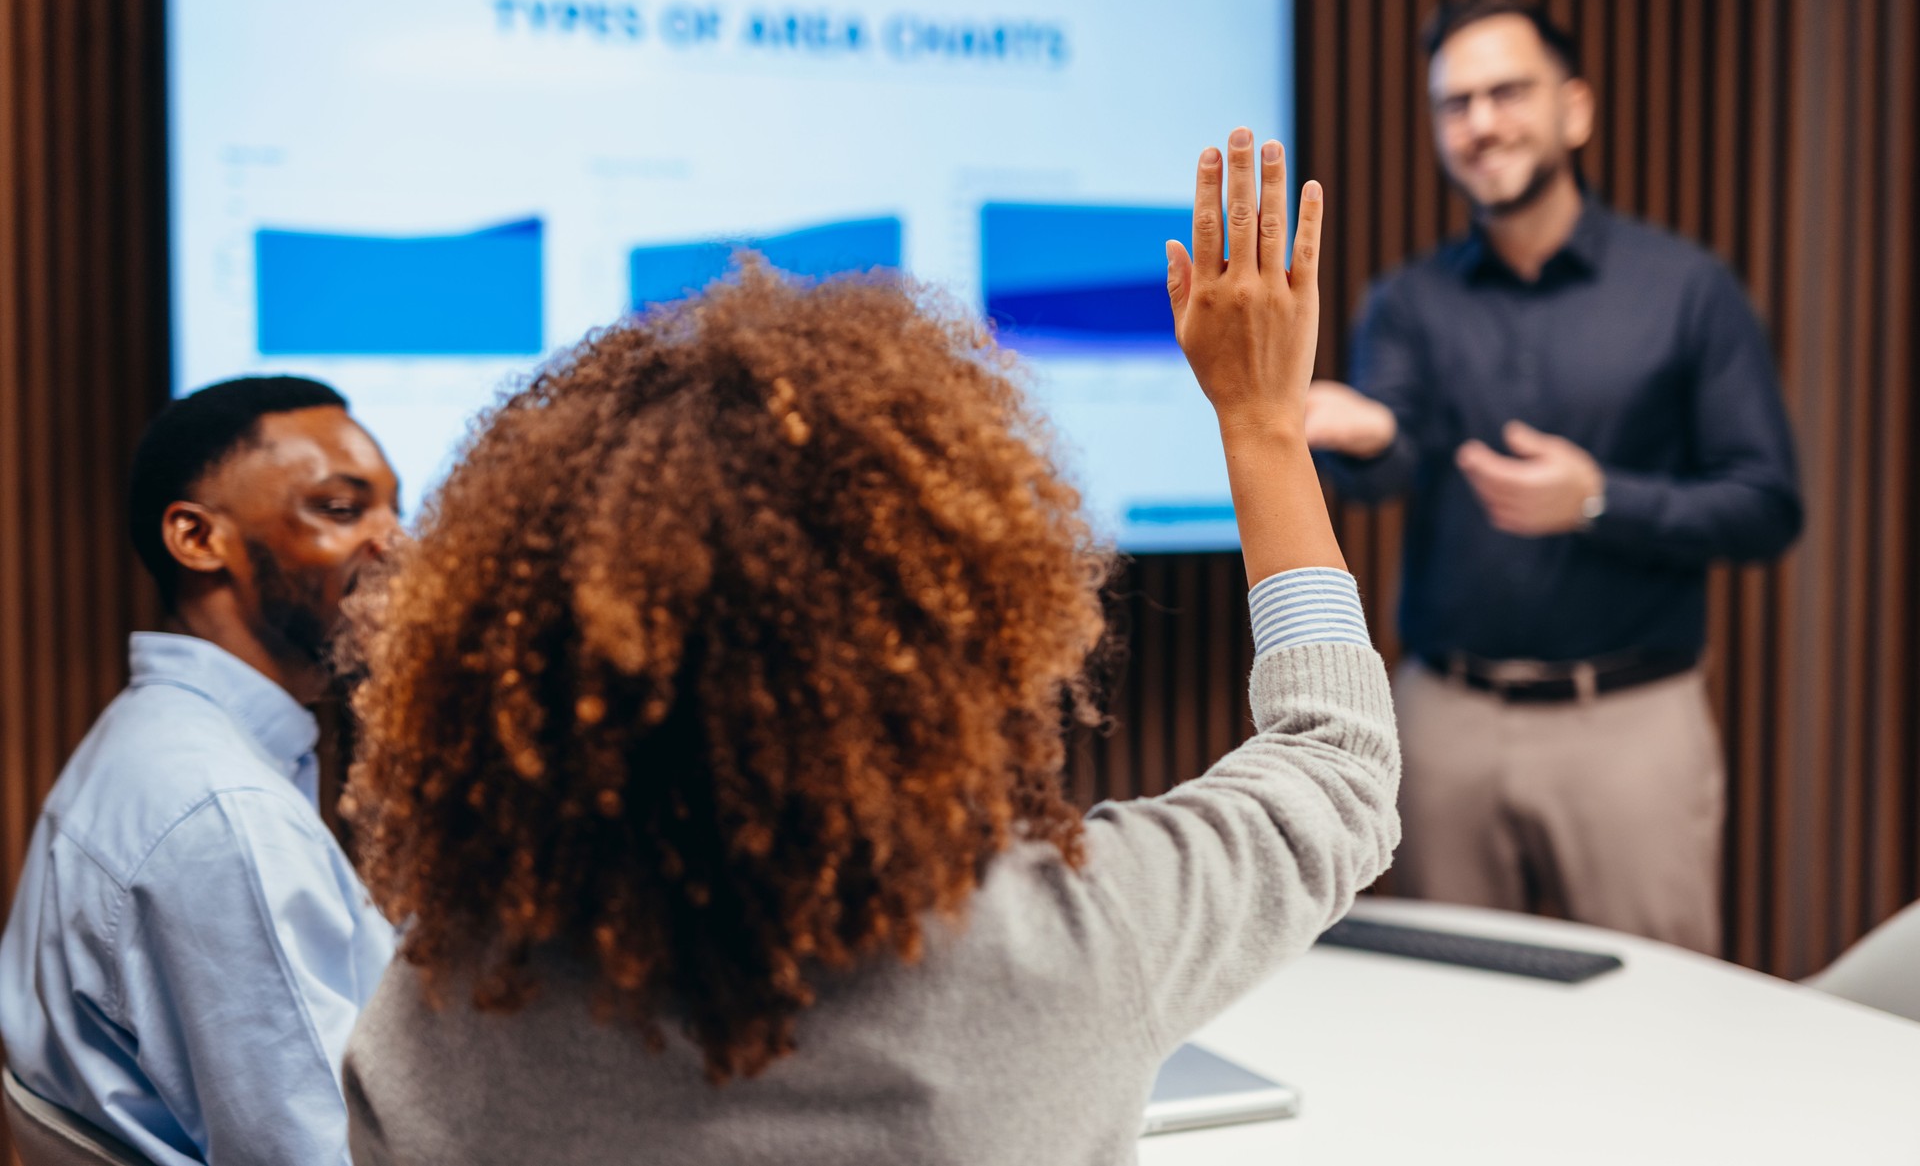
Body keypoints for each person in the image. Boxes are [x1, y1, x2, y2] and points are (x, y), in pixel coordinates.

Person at [338, 132, 1398, 1165]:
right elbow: (1338, 764)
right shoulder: (1076, 944)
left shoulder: (438, 1016)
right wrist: (1261, 425)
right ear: (950, 632)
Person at [1305, 0, 1802, 954]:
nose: (1481, 123)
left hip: (1627, 724)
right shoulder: (1406, 300)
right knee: (1450, 1020)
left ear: (1574, 110)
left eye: (1506, 93)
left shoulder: (1686, 290)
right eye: (1455, 104)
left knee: (1654, 1015)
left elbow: (1767, 504)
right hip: (1445, 717)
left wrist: (1600, 501)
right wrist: (1365, 435)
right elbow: (1392, 463)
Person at [0, 377, 403, 1165]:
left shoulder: (160, 740)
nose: (396, 541)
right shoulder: (224, 812)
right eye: (343, 509)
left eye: (396, 504)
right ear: (196, 537)